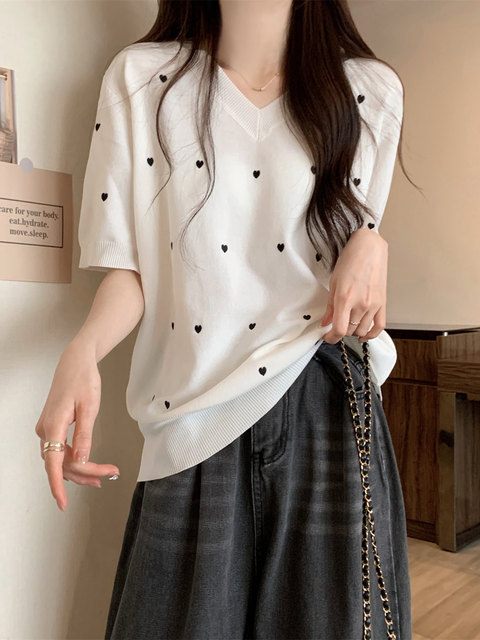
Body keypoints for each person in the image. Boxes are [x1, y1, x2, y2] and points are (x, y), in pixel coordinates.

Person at [35, 0, 414, 638]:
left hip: (326, 397)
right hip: (195, 411)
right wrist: (83, 351)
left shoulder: (371, 89)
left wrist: (373, 241)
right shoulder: (141, 79)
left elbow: (356, 245)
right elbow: (131, 267)